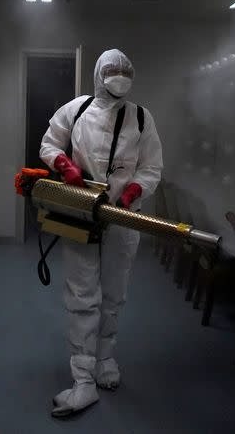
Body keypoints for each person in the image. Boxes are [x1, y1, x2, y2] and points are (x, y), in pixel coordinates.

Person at [39, 48, 163, 417]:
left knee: (115, 293)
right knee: (82, 294)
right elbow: (48, 143)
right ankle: (83, 379)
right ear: (98, 74)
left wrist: (134, 190)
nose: (120, 76)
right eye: (113, 70)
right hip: (81, 215)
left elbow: (152, 166)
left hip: (124, 218)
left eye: (126, 70)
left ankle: (105, 360)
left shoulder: (141, 117)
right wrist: (64, 164)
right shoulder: (75, 110)